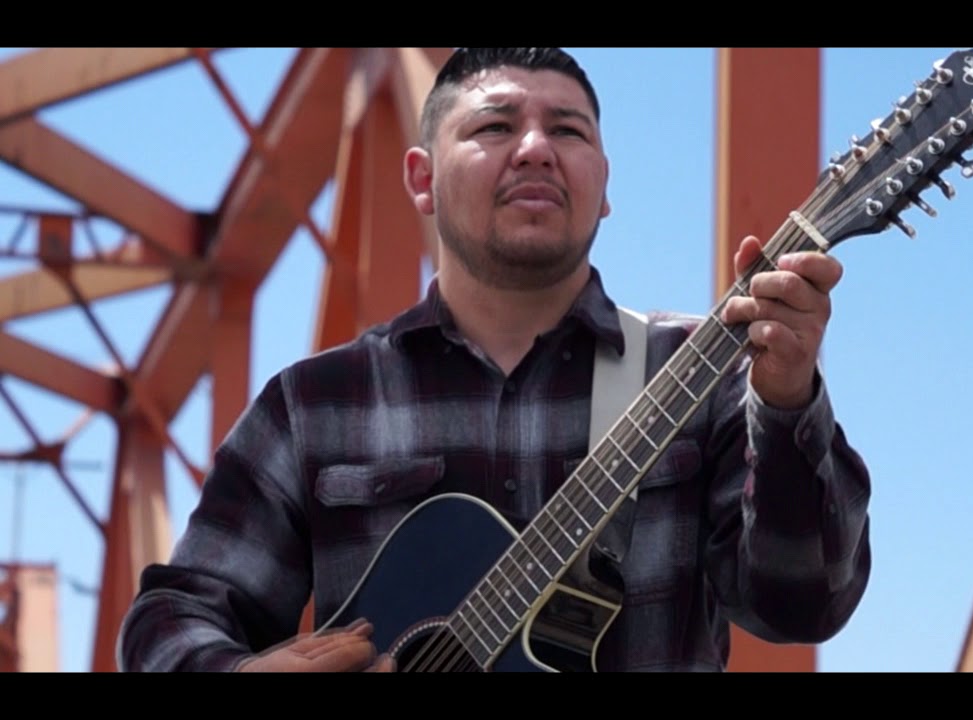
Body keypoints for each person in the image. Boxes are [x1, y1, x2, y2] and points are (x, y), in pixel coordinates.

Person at [116, 47, 872, 672]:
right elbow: (176, 614)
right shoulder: (314, 405)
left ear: (603, 187)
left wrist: (785, 400)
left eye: (569, 132)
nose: (537, 148)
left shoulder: (705, 372)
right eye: (496, 125)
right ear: (421, 179)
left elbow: (803, 603)